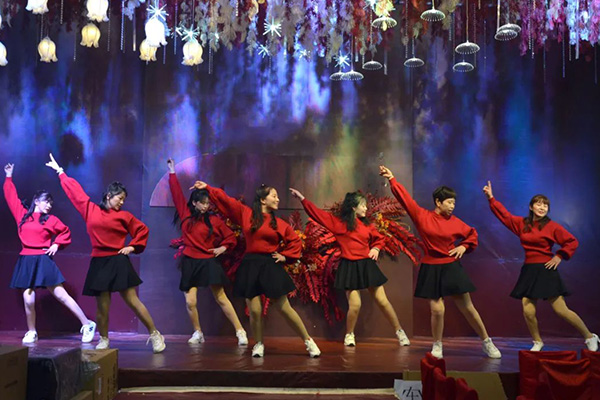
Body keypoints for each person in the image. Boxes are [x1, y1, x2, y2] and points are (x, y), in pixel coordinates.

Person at [45, 153, 165, 353]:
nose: (122, 202)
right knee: (102, 306)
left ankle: (155, 334)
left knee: (132, 301)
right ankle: (104, 338)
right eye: (119, 198)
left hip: (118, 261)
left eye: (124, 199)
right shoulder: (90, 210)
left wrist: (132, 246)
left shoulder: (124, 216)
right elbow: (76, 193)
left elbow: (142, 230)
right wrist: (60, 172)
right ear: (109, 195)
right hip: (99, 263)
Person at [380, 166, 501, 359]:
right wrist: (392, 179)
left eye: (454, 203)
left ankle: (487, 342)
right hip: (431, 267)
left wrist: (464, 247)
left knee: (467, 308)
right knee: (437, 310)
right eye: (449, 202)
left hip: (451, 266)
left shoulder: (455, 222)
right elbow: (405, 200)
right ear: (438, 202)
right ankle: (437, 345)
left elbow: (472, 234)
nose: (452, 206)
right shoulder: (422, 216)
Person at [191, 180, 320, 358]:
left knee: (284, 307)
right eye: (274, 196)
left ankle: (308, 341)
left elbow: (295, 241)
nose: (278, 199)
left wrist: (285, 256)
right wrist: (207, 188)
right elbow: (227, 201)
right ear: (263, 200)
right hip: (251, 265)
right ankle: (259, 344)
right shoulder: (247, 214)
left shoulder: (278, 223)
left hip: (270, 265)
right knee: (255, 310)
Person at [483, 180, 599, 351]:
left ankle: (590, 336)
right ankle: (537, 341)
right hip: (529, 270)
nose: (542, 207)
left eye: (545, 205)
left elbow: (572, 242)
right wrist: (491, 198)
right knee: (528, 311)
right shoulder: (522, 224)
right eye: (538, 204)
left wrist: (559, 256)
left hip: (546, 269)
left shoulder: (552, 227)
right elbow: (505, 216)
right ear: (531, 207)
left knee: (561, 310)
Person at [289, 188, 410, 347]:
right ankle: (349, 334)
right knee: (355, 305)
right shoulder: (339, 224)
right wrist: (302, 199)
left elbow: (379, 239)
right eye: (363, 205)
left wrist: (376, 248)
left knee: (382, 301)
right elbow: (318, 214)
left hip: (366, 265)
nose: (366, 208)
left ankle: (399, 331)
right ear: (353, 207)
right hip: (350, 266)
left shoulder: (368, 225)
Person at [4, 163, 96, 344]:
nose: (49, 205)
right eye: (46, 201)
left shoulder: (50, 220)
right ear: (37, 201)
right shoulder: (22, 215)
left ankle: (87, 324)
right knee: (28, 300)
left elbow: (65, 232)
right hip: (26, 260)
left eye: (51, 203)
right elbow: (10, 196)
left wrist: (56, 244)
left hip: (43, 259)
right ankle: (32, 331)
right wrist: (8, 176)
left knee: (61, 295)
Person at [167, 159, 248, 345]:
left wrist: (223, 247)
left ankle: (240, 331)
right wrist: (171, 171)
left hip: (209, 261)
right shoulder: (185, 214)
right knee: (190, 302)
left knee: (221, 297)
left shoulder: (214, 220)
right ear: (195, 203)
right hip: (190, 261)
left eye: (207, 203)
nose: (206, 206)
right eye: (202, 203)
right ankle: (198, 332)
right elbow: (176, 193)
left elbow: (231, 237)